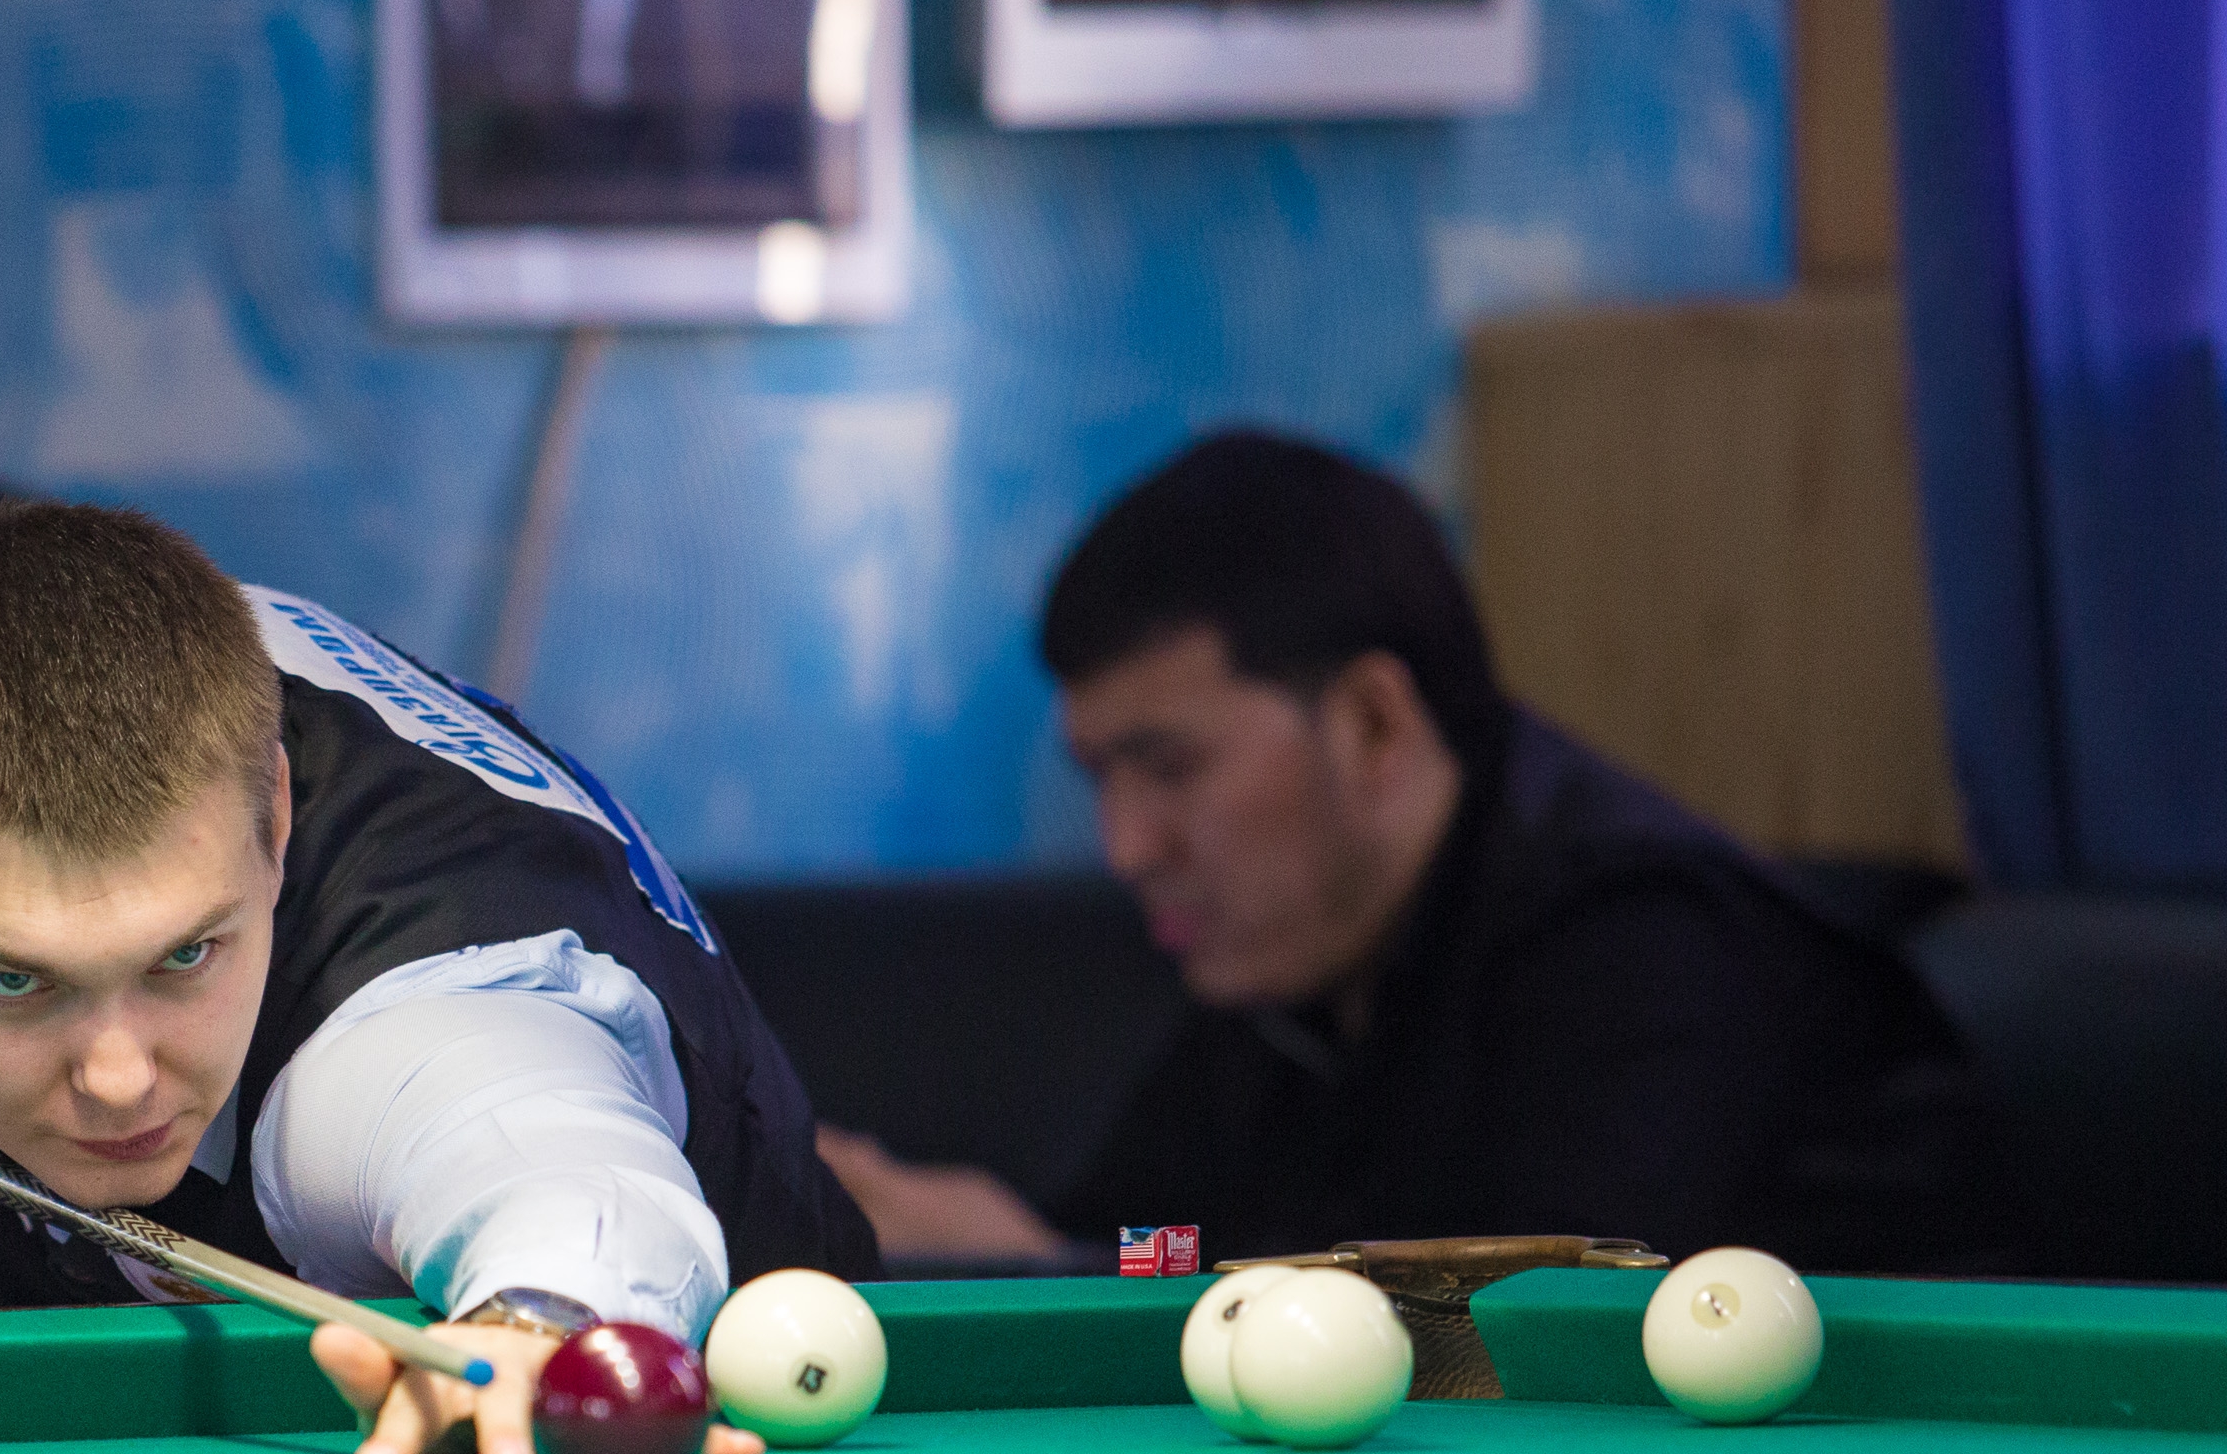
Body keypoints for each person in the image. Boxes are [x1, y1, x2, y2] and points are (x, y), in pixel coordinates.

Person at [0, 346, 877, 1454]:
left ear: (274, 820)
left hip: (716, 1407)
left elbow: (546, 1159)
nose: (120, 1080)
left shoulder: (404, 1036)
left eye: (185, 955)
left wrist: (540, 1323)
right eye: (14, 980)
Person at [816, 430, 1997, 1271]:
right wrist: (1040, 1245)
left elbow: (1521, 1329)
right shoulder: (1291, 978)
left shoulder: (1648, 948)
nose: (1126, 847)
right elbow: (1170, 1237)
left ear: (1372, 724)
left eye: (1170, 768)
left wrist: (1060, 1264)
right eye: (1100, 782)